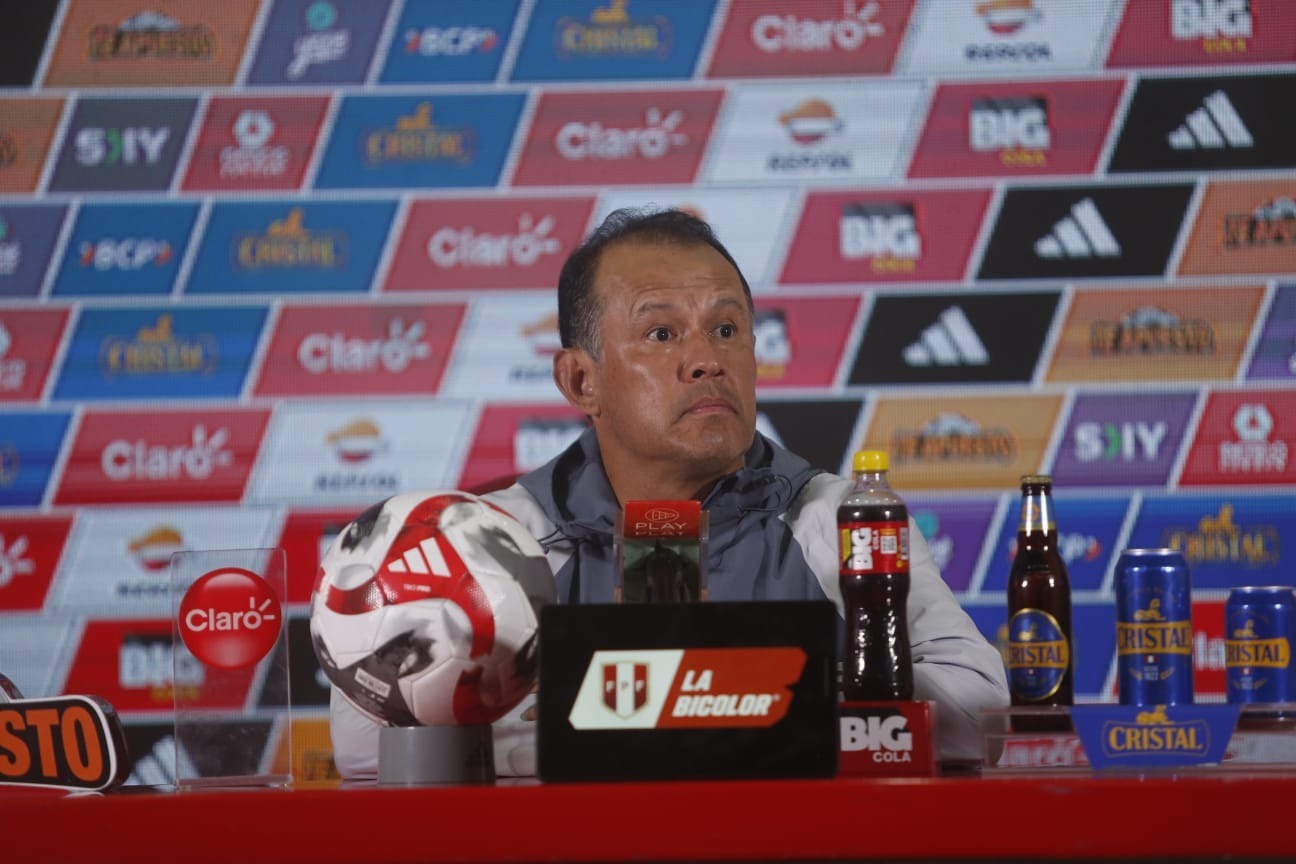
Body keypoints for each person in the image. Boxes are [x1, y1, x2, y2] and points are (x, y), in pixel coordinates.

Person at [330, 207, 1008, 778]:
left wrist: (751, 694)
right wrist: (712, 711)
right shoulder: (493, 536)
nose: (708, 358)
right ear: (580, 381)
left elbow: (980, 716)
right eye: (661, 333)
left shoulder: (838, 515)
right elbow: (367, 746)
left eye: (727, 329)